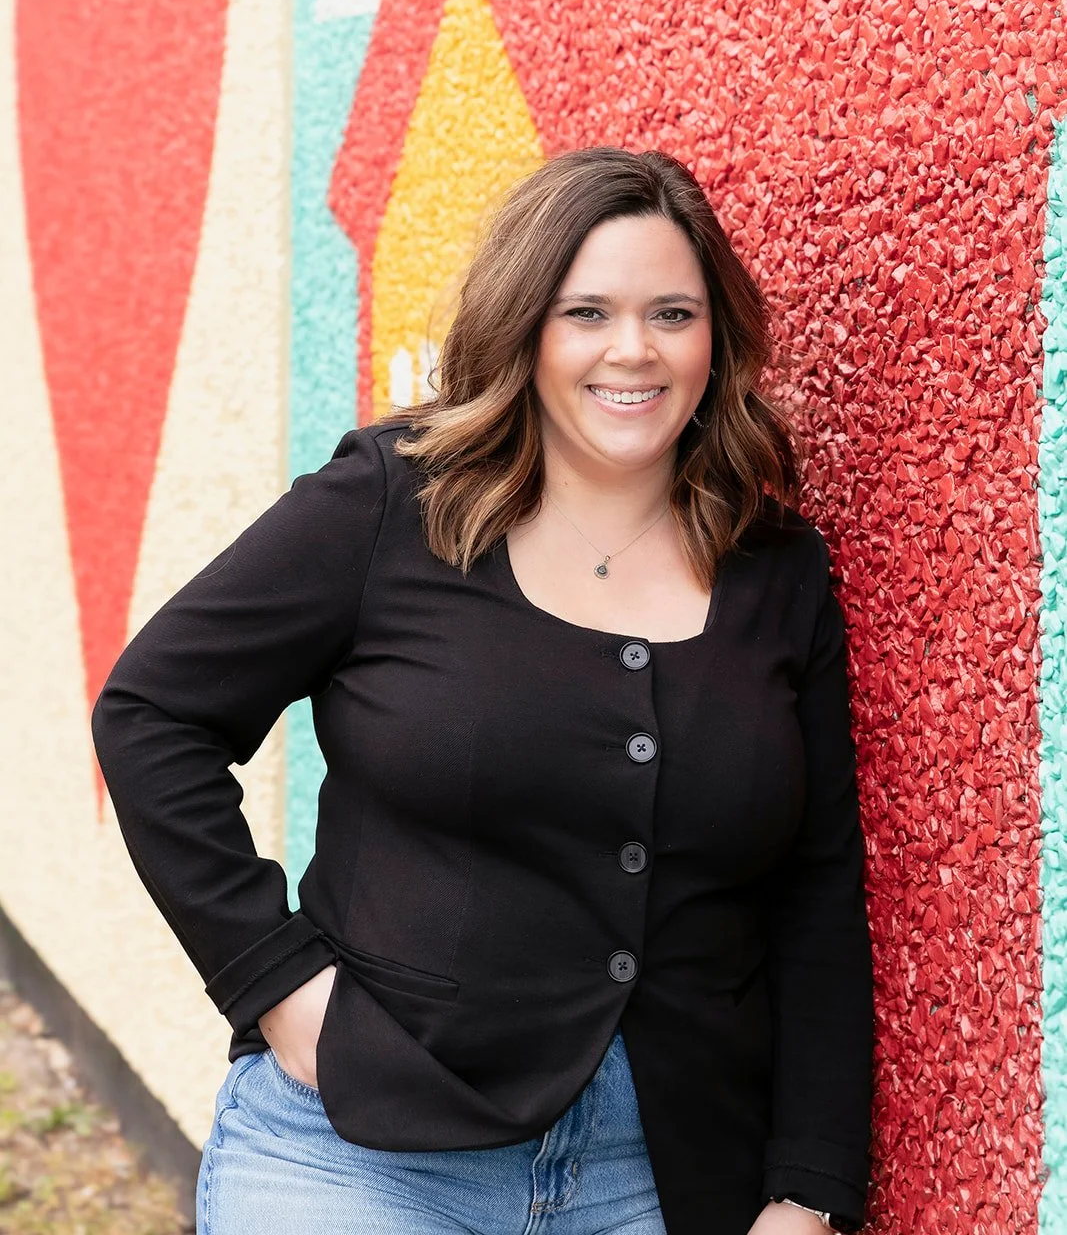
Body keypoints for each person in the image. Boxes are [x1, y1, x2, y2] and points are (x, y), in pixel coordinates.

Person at [92, 146, 874, 1235]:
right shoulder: (390, 504)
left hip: (660, 1174)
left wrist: (807, 1190)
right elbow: (151, 715)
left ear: (717, 339)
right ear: (526, 327)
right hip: (365, 1149)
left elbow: (817, 895)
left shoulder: (774, 572)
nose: (632, 350)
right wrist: (281, 989)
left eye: (671, 314)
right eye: (586, 312)